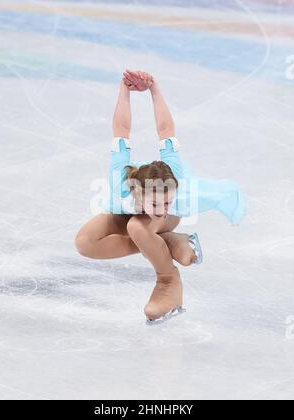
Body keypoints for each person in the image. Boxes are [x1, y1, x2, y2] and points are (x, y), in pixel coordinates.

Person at [75, 70, 246, 325]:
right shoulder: (122, 181)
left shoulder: (173, 181)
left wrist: (155, 89)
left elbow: (166, 128)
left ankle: (168, 280)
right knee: (86, 242)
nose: (162, 207)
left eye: (167, 201)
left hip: (152, 223)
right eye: (156, 203)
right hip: (129, 211)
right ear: (137, 192)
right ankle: (169, 244)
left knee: (137, 225)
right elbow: (121, 129)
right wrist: (125, 88)